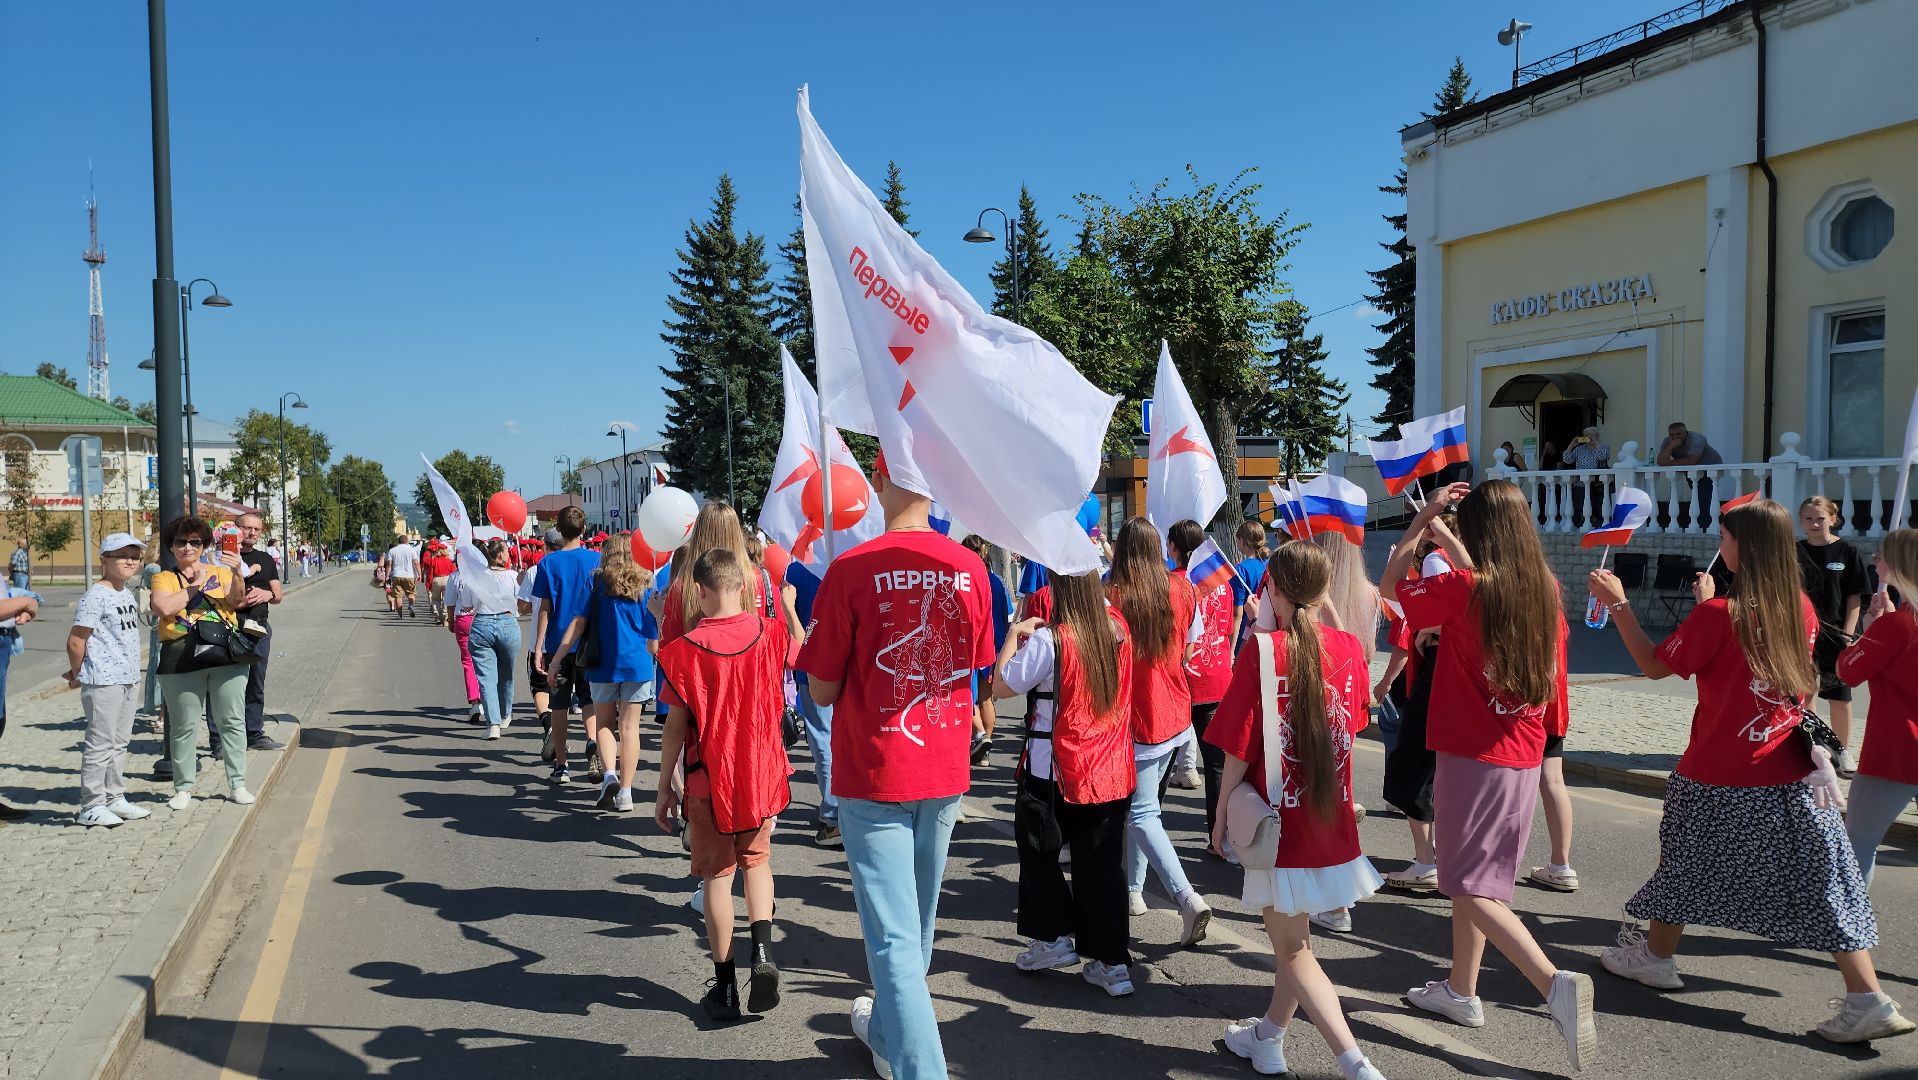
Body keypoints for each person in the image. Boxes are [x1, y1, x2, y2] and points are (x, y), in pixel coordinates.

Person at [1588, 497, 1910, 1044]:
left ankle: (1657, 958)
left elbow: (1651, 665)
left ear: (1746, 547)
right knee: (1826, 883)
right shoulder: (1800, 608)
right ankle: (1866, 996)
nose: (1720, 545)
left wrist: (1620, 606)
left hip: (1718, 771)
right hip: (1790, 772)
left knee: (1685, 865)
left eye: (1725, 537)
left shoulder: (1721, 615)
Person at [1385, 481, 1595, 1072]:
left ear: (1478, 530)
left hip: (1471, 752)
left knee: (1464, 881)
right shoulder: (1543, 588)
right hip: (1524, 752)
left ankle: (1554, 985)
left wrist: (1423, 518)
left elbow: (1391, 587)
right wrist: (1448, 535)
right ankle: (1461, 990)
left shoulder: (1466, 588)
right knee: (1484, 881)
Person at [798, 452, 994, 1080]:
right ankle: (886, 1032)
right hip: (942, 769)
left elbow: (822, 691)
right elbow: (977, 667)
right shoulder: (971, 568)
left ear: (880, 483)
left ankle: (920, 1068)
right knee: (916, 930)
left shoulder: (850, 568)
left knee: (894, 941)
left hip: (877, 768)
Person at [1206, 540, 1388, 1080]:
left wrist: (1219, 817)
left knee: (1293, 949)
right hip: (1327, 816)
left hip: (1279, 820)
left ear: (1272, 589)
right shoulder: (1350, 648)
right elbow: (1352, 725)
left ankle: (1355, 1064)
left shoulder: (1262, 651)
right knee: (1296, 941)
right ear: (1325, 591)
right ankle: (1268, 1037)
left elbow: (1237, 751)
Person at [655, 547, 804, 1022]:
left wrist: (663, 786)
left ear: (698, 592)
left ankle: (724, 987)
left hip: (707, 780)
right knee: (757, 862)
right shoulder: (772, 633)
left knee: (717, 878)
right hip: (760, 774)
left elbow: (675, 726)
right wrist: (788, 606)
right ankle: (763, 950)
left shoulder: (682, 653)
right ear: (744, 584)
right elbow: (802, 653)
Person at [995, 570, 1137, 996]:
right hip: (1110, 764)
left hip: (1056, 766)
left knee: (1039, 852)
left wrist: (1012, 635)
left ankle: (1054, 938)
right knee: (1103, 867)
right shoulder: (1117, 627)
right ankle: (1111, 963)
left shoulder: (1050, 639)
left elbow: (1001, 686)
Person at [1108, 517, 1212, 943]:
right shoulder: (1184, 588)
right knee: (1143, 807)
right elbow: (1192, 641)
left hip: (1136, 717)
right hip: (1174, 711)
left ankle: (1186, 896)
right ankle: (1133, 891)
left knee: (1142, 811)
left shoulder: (1113, 594)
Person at [151, 516, 255, 811]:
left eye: (195, 542)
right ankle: (184, 788)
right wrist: (195, 586)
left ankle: (238, 784)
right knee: (184, 725)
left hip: (224, 655)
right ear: (171, 547)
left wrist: (236, 573)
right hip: (180, 655)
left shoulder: (219, 571)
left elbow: (235, 601)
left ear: (204, 545)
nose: (187, 547)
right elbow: (164, 607)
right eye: (181, 542)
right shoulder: (164, 578)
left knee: (232, 721)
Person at [555, 533, 658, 811]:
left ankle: (609, 775)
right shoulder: (646, 582)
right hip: (638, 663)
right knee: (630, 729)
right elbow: (654, 627)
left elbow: (579, 622)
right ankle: (626, 792)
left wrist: (557, 658)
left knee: (603, 723)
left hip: (602, 664)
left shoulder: (596, 581)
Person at [1839, 529, 1918, 887]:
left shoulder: (1897, 626)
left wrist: (1871, 631)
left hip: (1895, 752)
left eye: (1880, 555)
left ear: (1899, 565)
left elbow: (1847, 670)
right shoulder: (1900, 621)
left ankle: (1849, 932)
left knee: (1857, 843)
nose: (1875, 561)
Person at [70, 533, 151, 828]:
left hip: (128, 677)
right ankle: (90, 804)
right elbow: (77, 640)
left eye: (134, 556)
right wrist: (77, 672)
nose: (130, 560)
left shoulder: (124, 592)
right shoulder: (96, 595)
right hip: (103, 680)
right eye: (122, 555)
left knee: (120, 743)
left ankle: (114, 797)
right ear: (105, 560)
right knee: (100, 744)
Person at [1170, 519, 1239, 845]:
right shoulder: (1221, 582)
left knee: (1160, 763)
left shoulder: (1176, 584)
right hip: (1218, 677)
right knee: (1217, 766)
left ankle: (1144, 833)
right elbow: (1229, 625)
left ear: (1174, 548)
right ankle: (1219, 836)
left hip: (1180, 682)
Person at [1798, 496, 1870, 776]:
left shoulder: (1847, 552)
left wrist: (1848, 635)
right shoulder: (1794, 552)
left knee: (1839, 696)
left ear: (1833, 519)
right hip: (1802, 635)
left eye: (1820, 518)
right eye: (1808, 519)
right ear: (1801, 521)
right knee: (1805, 693)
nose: (1815, 524)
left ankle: (1841, 750)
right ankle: (1816, 748)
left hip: (1836, 636)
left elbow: (1855, 596)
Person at [532, 506, 599, 785]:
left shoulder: (548, 563)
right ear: (584, 530)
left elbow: (545, 608)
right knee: (589, 701)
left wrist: (538, 646)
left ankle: (562, 765)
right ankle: (593, 744)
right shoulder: (597, 558)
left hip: (557, 642)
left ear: (558, 530)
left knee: (558, 704)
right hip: (588, 642)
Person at [450, 539, 522, 741]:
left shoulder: (476, 577)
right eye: (507, 551)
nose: (509, 554)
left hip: (482, 623)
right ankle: (506, 714)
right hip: (508, 622)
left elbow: (466, 605)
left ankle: (493, 724)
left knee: (486, 678)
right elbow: (523, 603)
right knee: (506, 674)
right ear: (500, 556)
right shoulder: (514, 576)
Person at [233, 514, 285, 752]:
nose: (252, 533)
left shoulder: (265, 559)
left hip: (259, 629)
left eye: (257, 529)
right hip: (227, 626)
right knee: (224, 683)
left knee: (256, 682)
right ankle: (218, 740)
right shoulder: (222, 557)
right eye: (247, 528)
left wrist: (267, 595)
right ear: (236, 529)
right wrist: (242, 601)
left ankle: (254, 733)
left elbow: (278, 595)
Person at [961, 533, 1013, 765]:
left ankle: (979, 736)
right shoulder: (997, 583)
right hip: (993, 648)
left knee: (965, 696)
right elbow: (1005, 615)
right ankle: (986, 748)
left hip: (971, 647)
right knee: (985, 700)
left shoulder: (964, 580)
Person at [1656, 422, 1724, 528]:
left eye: (1678, 434)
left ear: (1686, 432)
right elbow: (1660, 461)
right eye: (1672, 435)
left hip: (1709, 468)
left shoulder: (1697, 439)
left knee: (1704, 496)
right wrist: (1670, 447)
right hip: (1691, 472)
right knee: (1697, 496)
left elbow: (1691, 460)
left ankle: (1706, 526)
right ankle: (1702, 524)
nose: (1675, 437)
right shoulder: (1668, 442)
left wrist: (1668, 463)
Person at [384, 536, 421, 618]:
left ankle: (400, 615)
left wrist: (387, 576)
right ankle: (411, 605)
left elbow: (389, 564)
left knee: (398, 596)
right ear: (407, 541)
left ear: (398, 541)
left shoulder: (392, 550)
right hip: (409, 575)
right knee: (411, 593)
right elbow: (416, 562)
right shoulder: (411, 549)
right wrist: (419, 574)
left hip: (396, 575)